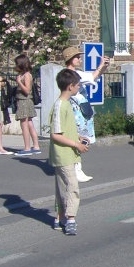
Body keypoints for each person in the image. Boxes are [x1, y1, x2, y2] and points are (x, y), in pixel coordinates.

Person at [49, 68, 90, 236]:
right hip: (63, 153)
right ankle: (71, 218)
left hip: (66, 153)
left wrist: (78, 137)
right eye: (78, 85)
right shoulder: (60, 106)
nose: (79, 88)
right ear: (70, 86)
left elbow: (64, 130)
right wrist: (76, 144)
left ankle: (60, 218)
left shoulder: (65, 104)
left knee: (62, 187)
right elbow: (55, 134)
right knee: (72, 186)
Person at [63, 47, 110, 182]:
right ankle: (76, 169)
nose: (80, 59)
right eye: (77, 57)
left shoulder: (74, 73)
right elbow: (92, 77)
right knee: (79, 138)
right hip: (76, 109)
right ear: (71, 59)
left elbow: (93, 78)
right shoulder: (71, 75)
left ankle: (77, 168)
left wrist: (103, 67)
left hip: (79, 108)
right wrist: (101, 66)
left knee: (80, 137)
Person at [13, 54, 42, 156]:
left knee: (24, 124)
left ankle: (27, 147)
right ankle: (36, 145)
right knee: (29, 123)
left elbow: (27, 90)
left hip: (24, 101)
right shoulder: (25, 74)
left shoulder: (26, 75)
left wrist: (19, 82)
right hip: (24, 101)